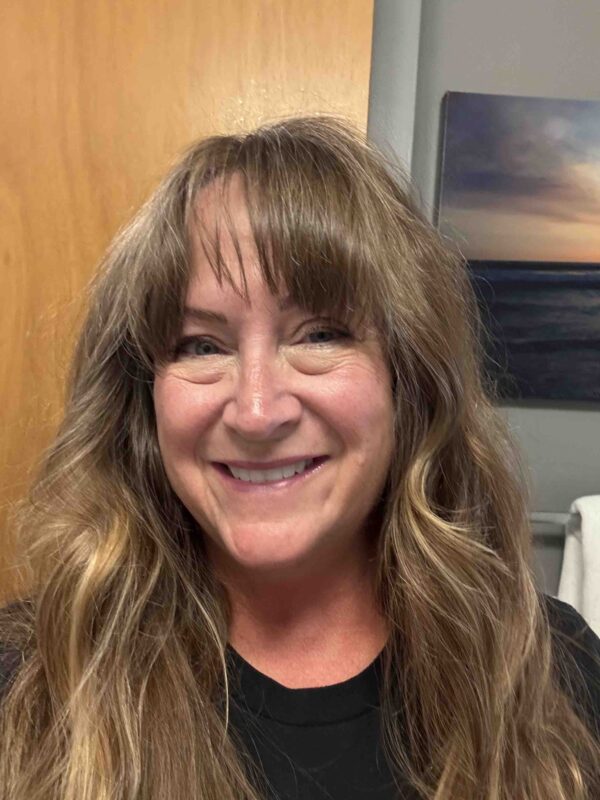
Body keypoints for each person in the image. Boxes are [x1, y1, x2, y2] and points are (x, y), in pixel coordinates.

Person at [0, 116, 599, 800]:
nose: (257, 412)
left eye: (320, 335)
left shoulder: (552, 674)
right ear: (144, 399)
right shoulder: (28, 685)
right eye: (202, 346)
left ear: (408, 382)